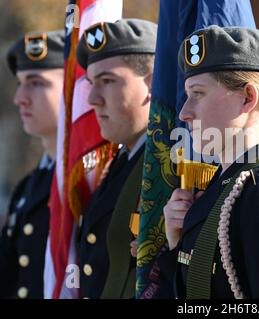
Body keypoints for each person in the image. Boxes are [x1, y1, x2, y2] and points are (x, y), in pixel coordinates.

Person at [160, 25, 259, 299]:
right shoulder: (229, 185)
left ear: (247, 98)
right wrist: (178, 243)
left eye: (198, 93)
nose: (184, 112)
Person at [75, 18, 157, 299]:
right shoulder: (123, 160)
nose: (93, 99)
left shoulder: (167, 167)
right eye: (91, 83)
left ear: (153, 83)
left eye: (108, 81)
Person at [0, 30, 65, 299]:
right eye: (20, 83)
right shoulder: (29, 186)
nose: (20, 98)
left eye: (37, 83)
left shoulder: (92, 177)